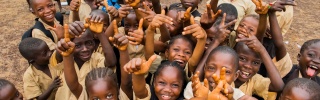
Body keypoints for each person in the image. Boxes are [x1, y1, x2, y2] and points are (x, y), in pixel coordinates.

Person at [54, 12, 117, 100]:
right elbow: (59, 56)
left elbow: (111, 62)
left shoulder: (96, 58)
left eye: (89, 43)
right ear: (70, 44)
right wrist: (64, 39)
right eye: (78, 45)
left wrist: (100, 33)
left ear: (94, 43)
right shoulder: (66, 58)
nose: (85, 49)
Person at [145, 12, 206, 79]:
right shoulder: (159, 65)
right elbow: (149, 55)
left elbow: (193, 63)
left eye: (187, 52)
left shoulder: (186, 71)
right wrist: (150, 29)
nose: (181, 54)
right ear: (167, 53)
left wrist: (202, 39)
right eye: (176, 49)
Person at [184, 46, 255, 99]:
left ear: (235, 76)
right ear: (205, 69)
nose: (216, 75)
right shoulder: (194, 88)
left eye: (226, 72)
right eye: (211, 68)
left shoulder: (237, 95)